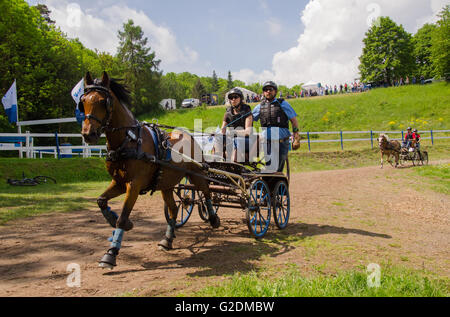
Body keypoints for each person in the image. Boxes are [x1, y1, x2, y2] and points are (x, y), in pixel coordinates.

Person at [252, 81, 300, 172]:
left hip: (281, 142)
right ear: (263, 92)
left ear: (275, 91)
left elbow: (294, 121)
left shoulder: (283, 104)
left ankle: (278, 183)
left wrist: (296, 137)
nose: (268, 92)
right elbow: (249, 119)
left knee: (278, 169)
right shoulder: (259, 107)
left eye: (270, 89)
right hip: (267, 142)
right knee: (269, 167)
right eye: (266, 90)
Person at [220, 88, 253, 162]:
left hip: (247, 140)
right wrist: (216, 134)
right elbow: (223, 130)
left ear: (241, 98)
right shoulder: (228, 113)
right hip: (232, 140)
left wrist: (234, 132)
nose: (233, 99)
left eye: (236, 97)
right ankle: (217, 163)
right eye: (231, 98)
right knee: (218, 139)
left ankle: (233, 164)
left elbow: (247, 132)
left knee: (236, 140)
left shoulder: (246, 110)